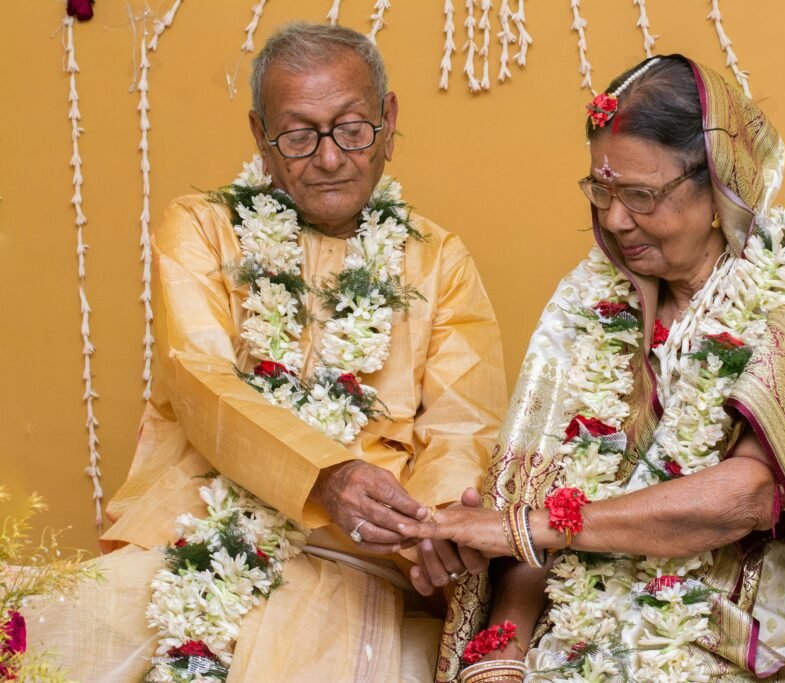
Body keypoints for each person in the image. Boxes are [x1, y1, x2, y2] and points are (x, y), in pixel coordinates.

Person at [28, 22, 505, 682]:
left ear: (389, 120)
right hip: (198, 535)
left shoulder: (437, 259)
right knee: (41, 642)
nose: (331, 158)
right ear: (261, 136)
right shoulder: (200, 227)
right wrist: (325, 478)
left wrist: (435, 526)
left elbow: (460, 425)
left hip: (361, 557)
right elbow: (202, 382)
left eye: (352, 128)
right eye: (300, 135)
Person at [412, 55, 785, 683]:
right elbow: (526, 512)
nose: (613, 219)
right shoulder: (584, 303)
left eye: (640, 195)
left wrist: (530, 526)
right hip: (579, 631)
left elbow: (744, 497)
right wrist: (504, 649)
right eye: (600, 191)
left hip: (731, 641)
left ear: (717, 183)